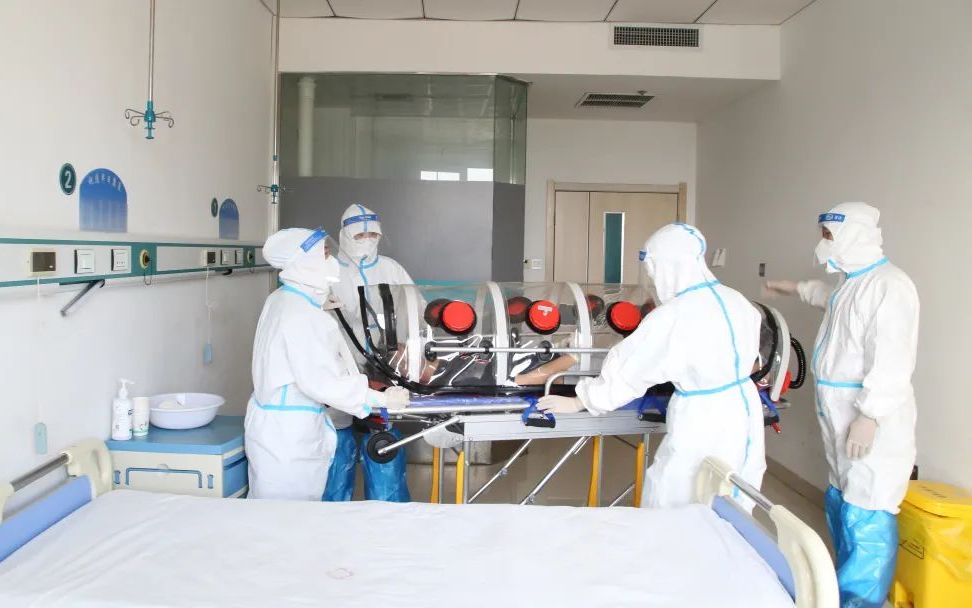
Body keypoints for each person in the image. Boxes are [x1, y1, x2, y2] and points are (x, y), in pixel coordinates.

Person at [538, 223, 765, 509]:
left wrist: (580, 401)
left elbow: (630, 369)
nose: (653, 279)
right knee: (735, 495)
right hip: (744, 411)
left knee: (677, 493)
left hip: (703, 418)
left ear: (669, 265)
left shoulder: (674, 315)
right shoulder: (738, 301)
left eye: (653, 270)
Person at [765, 202, 918, 608]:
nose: (823, 244)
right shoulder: (852, 284)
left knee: (867, 509)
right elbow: (828, 298)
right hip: (838, 411)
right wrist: (792, 287)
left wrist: (870, 415)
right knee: (842, 500)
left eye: (829, 236)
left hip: (870, 416)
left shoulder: (890, 285)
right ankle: (842, 589)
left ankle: (860, 601)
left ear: (855, 235)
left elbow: (892, 359)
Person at [244, 227, 409, 501]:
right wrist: (380, 398)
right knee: (286, 511)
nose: (331, 261)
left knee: (277, 508)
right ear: (303, 262)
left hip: (278, 422)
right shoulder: (302, 315)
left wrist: (319, 305)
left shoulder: (283, 299)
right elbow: (322, 383)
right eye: (324, 254)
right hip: (290, 433)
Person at [324, 204, 414, 502]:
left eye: (372, 234)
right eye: (359, 235)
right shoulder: (328, 270)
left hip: (382, 368)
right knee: (336, 441)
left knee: (382, 439)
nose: (366, 240)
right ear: (344, 235)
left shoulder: (392, 269)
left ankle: (390, 511)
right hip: (338, 367)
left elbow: (414, 312)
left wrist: (405, 349)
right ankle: (331, 511)